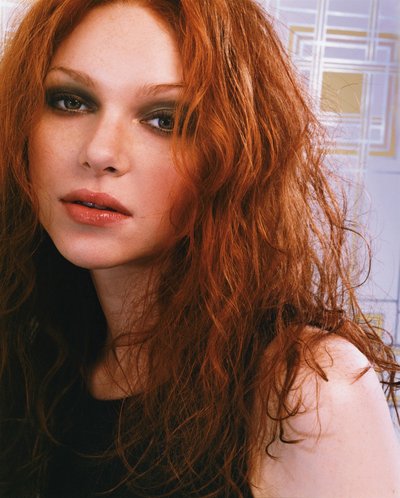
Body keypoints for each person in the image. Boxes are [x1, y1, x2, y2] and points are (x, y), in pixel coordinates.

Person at [0, 0, 399, 496]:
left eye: (164, 120)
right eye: (71, 101)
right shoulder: (30, 355)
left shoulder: (307, 391)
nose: (99, 151)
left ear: (236, 157)